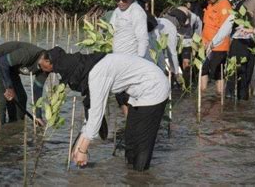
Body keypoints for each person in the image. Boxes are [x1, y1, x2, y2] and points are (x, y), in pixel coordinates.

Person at [38, 47, 169, 171]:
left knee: (141, 146)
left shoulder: (97, 74)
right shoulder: (89, 66)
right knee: (130, 143)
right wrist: (78, 145)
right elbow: (90, 115)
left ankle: (140, 177)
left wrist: (83, 150)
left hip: (154, 88)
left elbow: (96, 115)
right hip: (138, 92)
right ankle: (131, 178)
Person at [109, 0, 150, 115]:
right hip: (117, 61)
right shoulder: (116, 12)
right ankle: (128, 124)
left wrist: (139, 62)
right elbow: (111, 31)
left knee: (132, 97)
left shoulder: (137, 12)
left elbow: (143, 39)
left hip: (132, 61)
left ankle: (133, 125)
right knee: (119, 95)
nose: (120, 2)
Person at [209, 0, 255, 100]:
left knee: (232, 79)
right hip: (251, 47)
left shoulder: (236, 10)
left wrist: (213, 43)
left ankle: (230, 108)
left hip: (238, 46)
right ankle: (242, 108)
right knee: (245, 80)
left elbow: (225, 29)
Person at [0, 41, 48, 125]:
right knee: (1, 102)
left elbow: (37, 90)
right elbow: (2, 62)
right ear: (46, 60)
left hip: (10, 69)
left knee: (21, 99)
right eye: (52, 67)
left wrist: (38, 116)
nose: (52, 71)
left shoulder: (46, 69)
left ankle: (16, 129)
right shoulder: (28, 54)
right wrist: (9, 87)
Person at [201, 0, 232, 94]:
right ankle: (205, 95)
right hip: (207, 45)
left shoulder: (224, 6)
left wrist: (213, 42)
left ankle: (216, 97)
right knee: (207, 70)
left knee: (215, 71)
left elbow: (225, 28)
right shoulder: (210, 4)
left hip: (219, 46)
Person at [161, 6, 202, 89]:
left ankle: (185, 86)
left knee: (185, 64)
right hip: (172, 44)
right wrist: (176, 72)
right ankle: (171, 86)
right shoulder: (170, 26)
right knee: (168, 66)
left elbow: (198, 27)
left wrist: (196, 42)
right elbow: (172, 53)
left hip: (187, 42)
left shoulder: (194, 18)